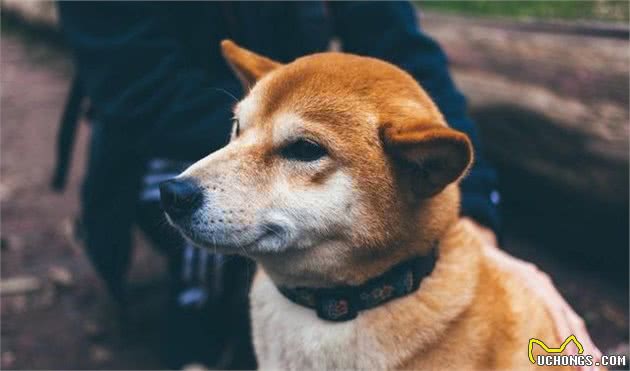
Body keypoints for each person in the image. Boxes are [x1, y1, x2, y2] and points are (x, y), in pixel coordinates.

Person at [55, 2, 500, 369]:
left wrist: (475, 210)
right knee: (205, 236)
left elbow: (404, 52)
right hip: (158, 134)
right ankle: (197, 333)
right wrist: (280, 118)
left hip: (278, 109)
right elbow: (140, 93)